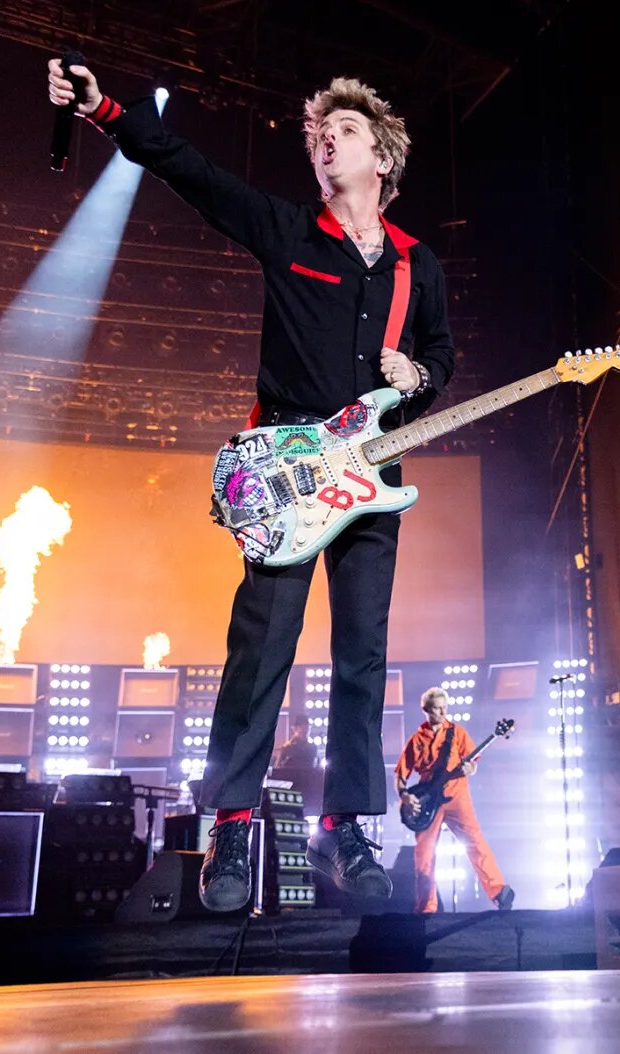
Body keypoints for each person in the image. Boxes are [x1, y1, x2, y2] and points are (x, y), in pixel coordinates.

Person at [48, 62, 456, 913]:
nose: (322, 145)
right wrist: (104, 108)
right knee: (259, 649)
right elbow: (188, 169)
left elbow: (442, 360)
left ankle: (349, 824)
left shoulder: (421, 267)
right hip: (285, 477)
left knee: (363, 658)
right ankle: (230, 824)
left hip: (372, 473)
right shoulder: (285, 229)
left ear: (380, 155)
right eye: (316, 137)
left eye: (339, 133)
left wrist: (417, 374)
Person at [396, 687, 513, 912]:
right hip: (429, 800)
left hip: (458, 796)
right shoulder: (416, 739)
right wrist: (405, 796)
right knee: (425, 854)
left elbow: (473, 764)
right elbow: (401, 774)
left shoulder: (457, 733)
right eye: (436, 708)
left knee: (475, 842)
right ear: (426, 710)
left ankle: (499, 892)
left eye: (444, 707)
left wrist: (471, 768)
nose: (442, 712)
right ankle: (426, 908)